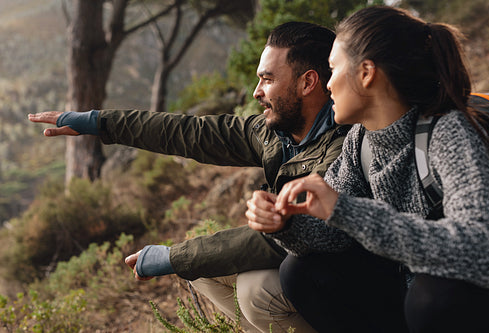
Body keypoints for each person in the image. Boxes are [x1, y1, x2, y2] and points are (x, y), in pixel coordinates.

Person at [29, 22, 352, 332]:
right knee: (202, 270)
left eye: (267, 79)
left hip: (350, 281)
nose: (256, 92)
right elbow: (188, 133)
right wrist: (98, 122)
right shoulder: (276, 133)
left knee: (257, 291)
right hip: (306, 266)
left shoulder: (340, 149)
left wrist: (172, 257)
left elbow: (280, 239)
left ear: (307, 83)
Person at [246, 6, 489, 333]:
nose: (328, 85)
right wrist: (285, 221)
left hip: (468, 298)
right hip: (410, 298)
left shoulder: (448, 133)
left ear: (366, 73)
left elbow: (485, 250)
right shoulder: (360, 142)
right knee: (301, 271)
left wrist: (346, 209)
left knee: (432, 297)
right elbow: (332, 235)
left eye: (333, 69)